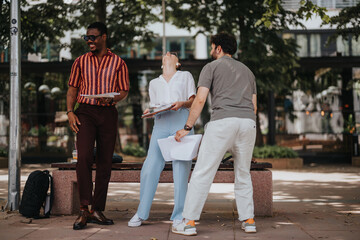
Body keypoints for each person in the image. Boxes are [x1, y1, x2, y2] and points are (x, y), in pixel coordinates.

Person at [173, 32, 257, 236]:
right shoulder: (247, 71)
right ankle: (249, 220)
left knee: (203, 171)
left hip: (222, 122)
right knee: (243, 173)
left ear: (218, 48)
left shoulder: (210, 67)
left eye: (212, 47)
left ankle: (189, 222)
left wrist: (186, 127)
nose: (211, 51)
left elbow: (200, 100)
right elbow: (254, 107)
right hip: (248, 123)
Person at [66, 22, 129, 230]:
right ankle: (84, 209)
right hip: (85, 112)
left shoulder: (118, 62)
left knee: (104, 162)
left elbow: (123, 90)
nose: (89, 41)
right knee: (83, 156)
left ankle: (97, 209)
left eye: (93, 37)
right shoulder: (80, 61)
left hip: (108, 113)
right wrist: (70, 113)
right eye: (87, 38)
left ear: (104, 37)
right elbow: (72, 90)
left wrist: (112, 99)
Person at [128, 52, 196, 229]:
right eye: (166, 53)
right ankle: (141, 213)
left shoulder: (185, 76)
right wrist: (149, 112)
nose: (167, 54)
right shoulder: (154, 83)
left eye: (172, 54)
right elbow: (156, 106)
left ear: (178, 63)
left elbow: (193, 101)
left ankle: (179, 215)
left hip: (181, 120)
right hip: (161, 123)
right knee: (150, 167)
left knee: (181, 169)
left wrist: (181, 103)